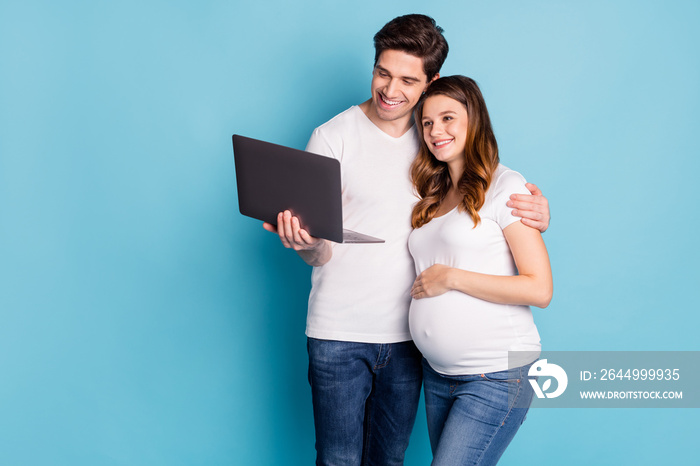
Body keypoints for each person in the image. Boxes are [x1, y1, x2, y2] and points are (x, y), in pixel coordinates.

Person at [263, 15, 550, 465]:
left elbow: (487, 188)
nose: (390, 90)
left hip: (407, 344)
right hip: (338, 333)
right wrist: (306, 244)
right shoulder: (331, 137)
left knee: (389, 459)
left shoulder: (437, 138)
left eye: (407, 80)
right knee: (337, 459)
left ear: (431, 82)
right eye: (382, 72)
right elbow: (320, 250)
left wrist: (535, 210)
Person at [408, 75, 553, 465]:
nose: (436, 130)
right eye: (427, 122)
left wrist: (451, 278)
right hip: (438, 375)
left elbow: (539, 289)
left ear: (474, 120)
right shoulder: (434, 194)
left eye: (448, 118)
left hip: (497, 376)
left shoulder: (507, 186)